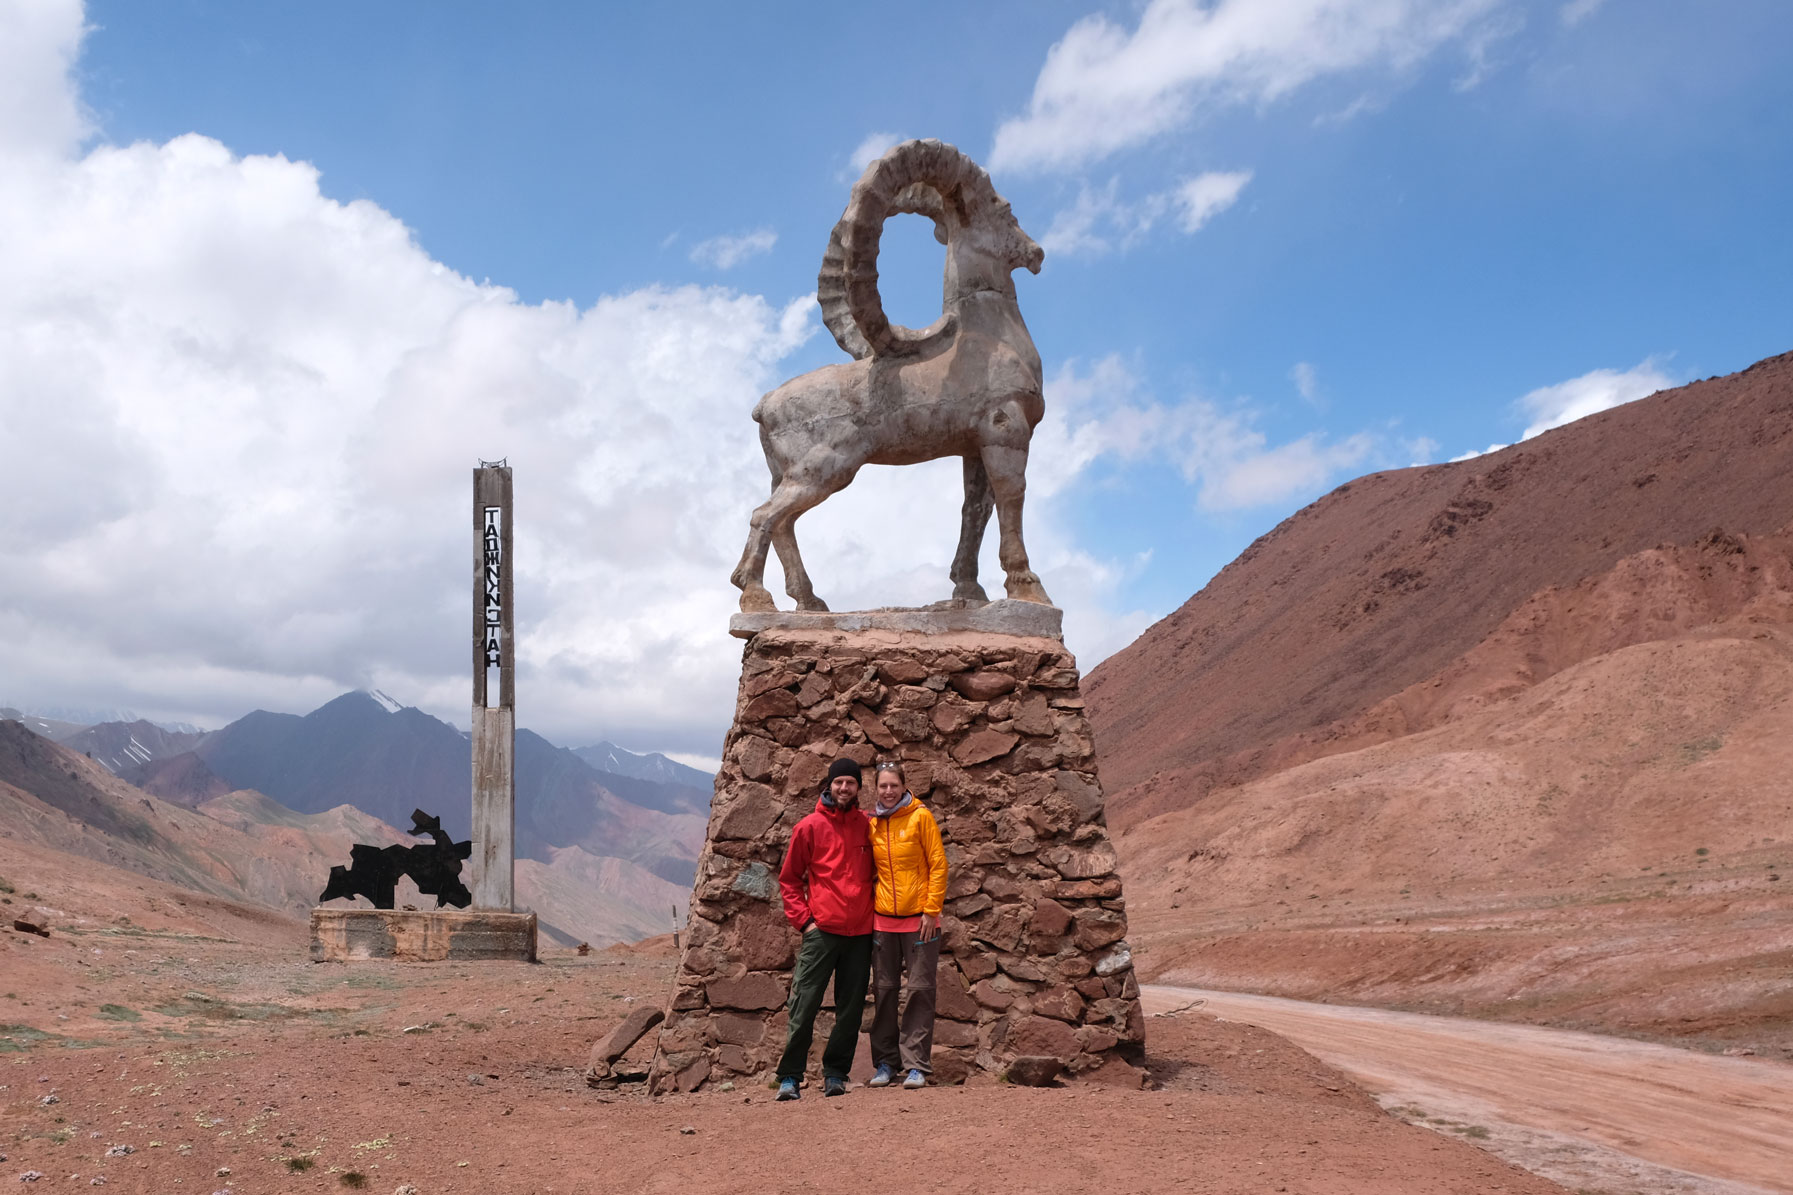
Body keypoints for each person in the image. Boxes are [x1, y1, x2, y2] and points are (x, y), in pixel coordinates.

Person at [774, 756, 875, 1101]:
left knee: (850, 1009)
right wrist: (805, 922)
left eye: (850, 782)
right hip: (822, 932)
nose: (844, 788)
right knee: (804, 1003)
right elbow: (789, 880)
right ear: (829, 786)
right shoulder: (809, 827)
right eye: (839, 782)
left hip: (860, 932)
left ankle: (835, 1074)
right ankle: (790, 1076)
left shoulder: (868, 826)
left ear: (859, 788)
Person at [864, 760, 947, 1090]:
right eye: (882, 786)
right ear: (876, 788)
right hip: (883, 923)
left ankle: (916, 1065)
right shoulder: (871, 824)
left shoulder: (920, 817)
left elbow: (938, 864)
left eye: (893, 786)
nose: (888, 791)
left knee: (920, 992)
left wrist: (931, 910)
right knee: (884, 993)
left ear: (903, 786)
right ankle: (886, 1063)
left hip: (921, 922)